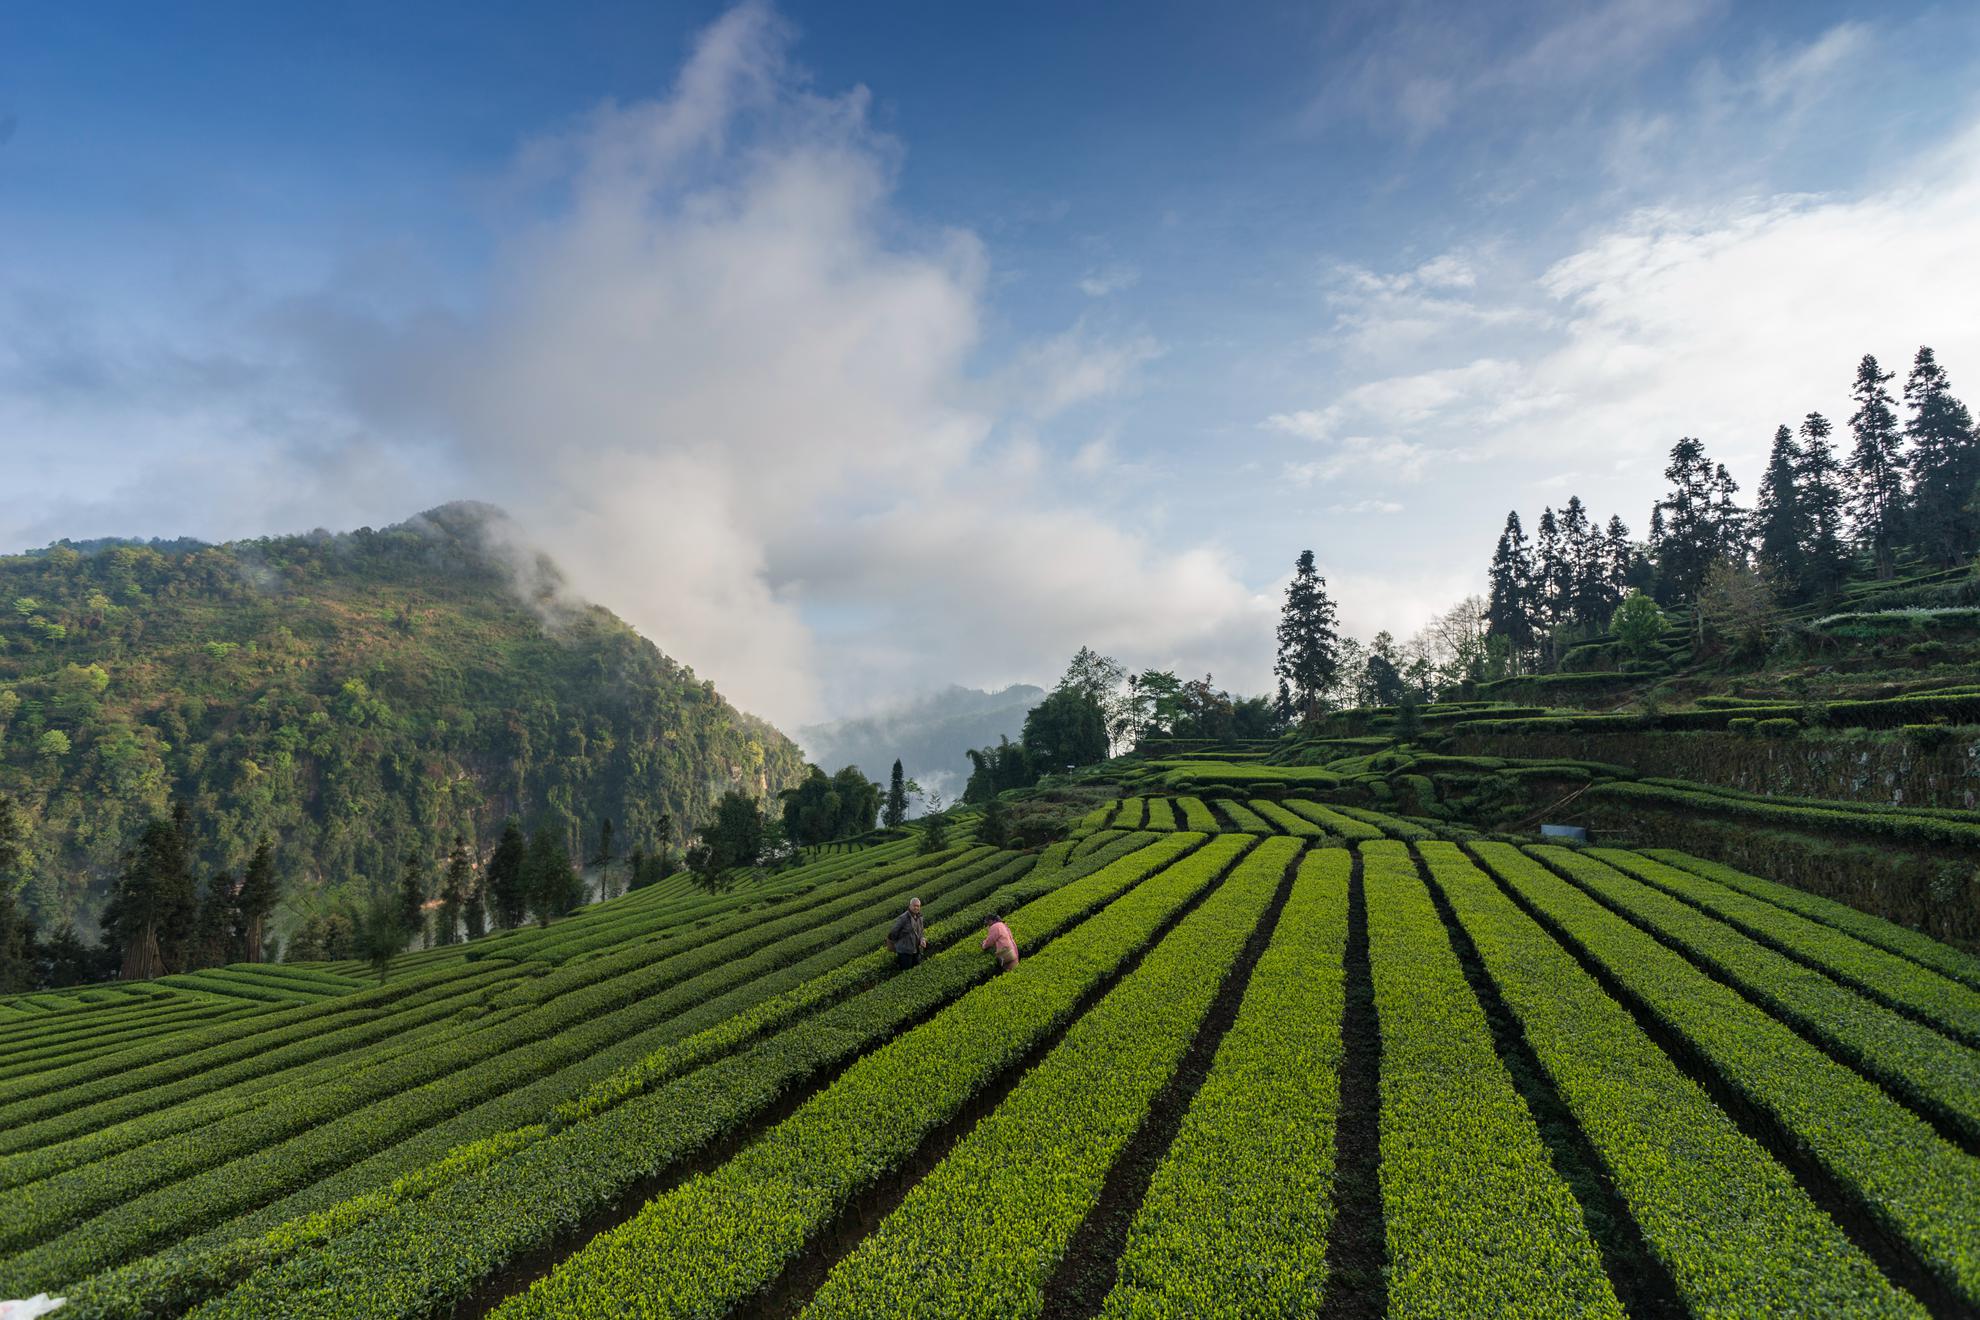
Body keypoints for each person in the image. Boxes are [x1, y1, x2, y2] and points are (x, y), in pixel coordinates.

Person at [886, 896, 926, 970]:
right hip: (905, 952)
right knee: (906, 972)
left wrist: (922, 939)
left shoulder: (920, 917)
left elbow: (921, 931)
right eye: (914, 905)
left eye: (918, 906)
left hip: (916, 950)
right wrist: (900, 944)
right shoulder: (903, 918)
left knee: (916, 970)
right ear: (910, 906)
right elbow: (893, 933)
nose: (916, 908)